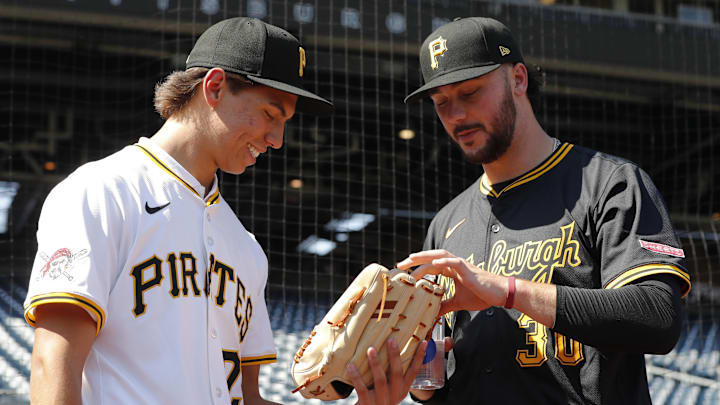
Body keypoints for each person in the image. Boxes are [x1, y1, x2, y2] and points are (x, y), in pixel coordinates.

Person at [24, 17, 333, 405]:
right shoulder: (102, 193)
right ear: (215, 87)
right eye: (271, 114)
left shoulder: (246, 247)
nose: (276, 140)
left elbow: (248, 397)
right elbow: (53, 365)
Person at [396, 17, 691, 404]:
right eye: (441, 103)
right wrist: (420, 378)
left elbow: (657, 317)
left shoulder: (609, 184)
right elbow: (436, 385)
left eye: (469, 93)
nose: (456, 115)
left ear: (518, 80)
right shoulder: (446, 224)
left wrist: (506, 290)